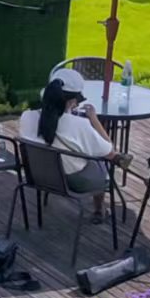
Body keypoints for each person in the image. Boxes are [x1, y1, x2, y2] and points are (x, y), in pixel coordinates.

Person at [18, 78, 121, 219]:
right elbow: (110, 151)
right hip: (71, 182)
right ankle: (99, 209)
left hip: (37, 176)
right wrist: (94, 120)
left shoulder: (27, 117)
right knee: (100, 159)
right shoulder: (79, 125)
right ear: (72, 102)